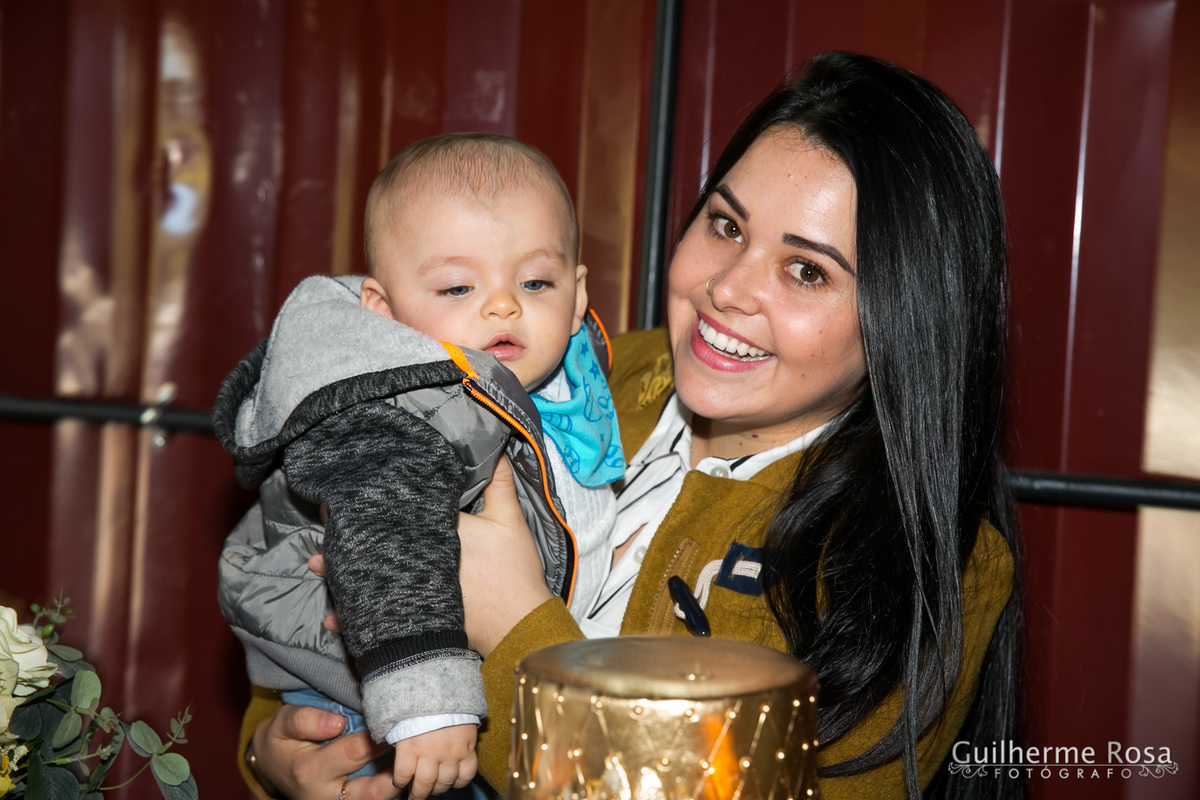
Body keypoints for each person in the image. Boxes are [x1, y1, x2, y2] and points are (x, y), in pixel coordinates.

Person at [236, 51, 1021, 800]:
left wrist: (513, 622)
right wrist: (279, 749)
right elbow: (302, 558)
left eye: (806, 269)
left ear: (907, 321)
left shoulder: (922, 563)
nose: (728, 288)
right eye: (726, 225)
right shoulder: (569, 377)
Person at [213, 134, 624, 800]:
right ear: (384, 311)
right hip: (399, 682)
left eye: (536, 281)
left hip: (464, 685)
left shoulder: (568, 383)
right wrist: (427, 702)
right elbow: (387, 542)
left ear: (577, 296)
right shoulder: (403, 406)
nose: (502, 305)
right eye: (459, 285)